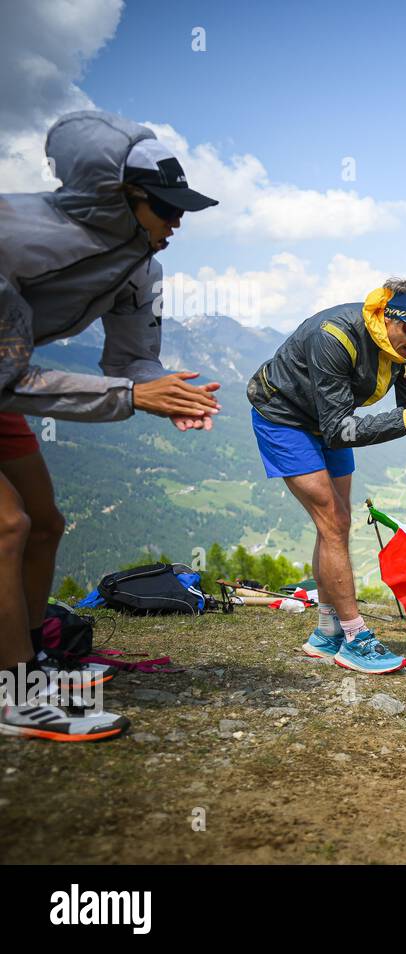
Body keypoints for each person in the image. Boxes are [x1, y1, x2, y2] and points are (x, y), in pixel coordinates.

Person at [1, 111, 223, 741]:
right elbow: (12, 381)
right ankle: (11, 695)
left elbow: (129, 359)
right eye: (164, 207)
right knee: (6, 524)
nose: (177, 222)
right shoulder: (13, 241)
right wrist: (133, 395)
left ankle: (27, 654)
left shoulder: (140, 264)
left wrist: (167, 391)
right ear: (117, 199)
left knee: (43, 523)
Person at [247, 277, 406, 674]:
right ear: (389, 316)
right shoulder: (334, 338)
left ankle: (325, 632)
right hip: (284, 418)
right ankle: (354, 637)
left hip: (327, 421)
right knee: (332, 522)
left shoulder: (404, 345)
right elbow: (343, 429)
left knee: (340, 522)